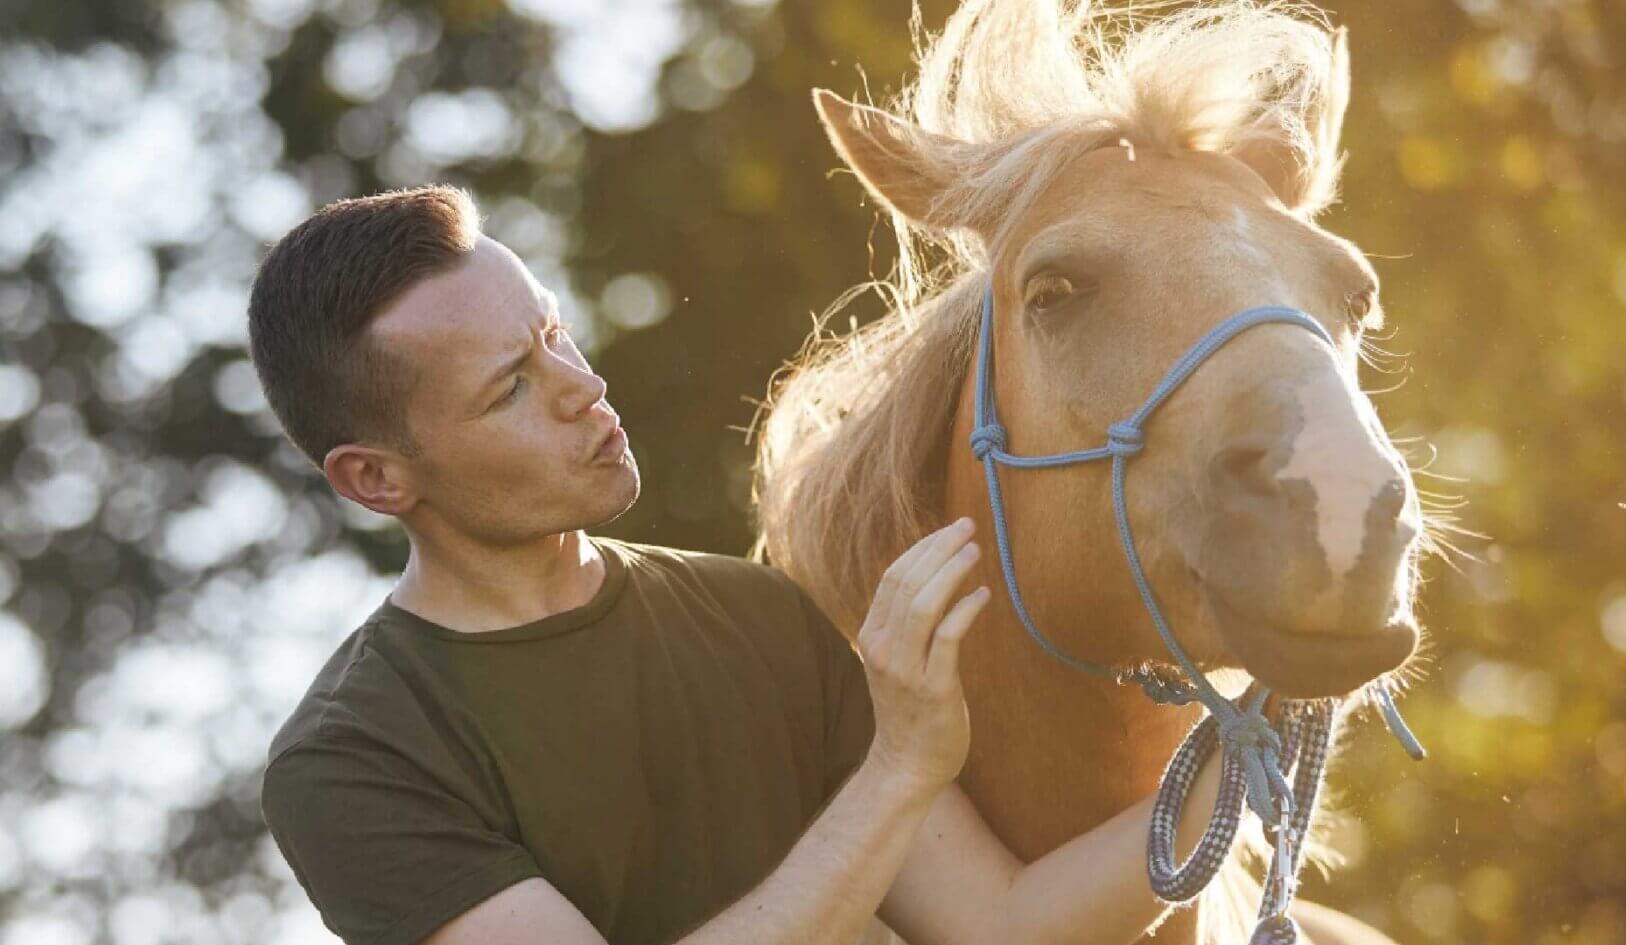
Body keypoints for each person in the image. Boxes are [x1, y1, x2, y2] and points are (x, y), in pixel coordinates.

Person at [249, 184, 1224, 945]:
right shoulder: (354, 758)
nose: (583, 387)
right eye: (512, 386)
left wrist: (1249, 753)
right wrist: (899, 769)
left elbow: (1007, 925)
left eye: (554, 334)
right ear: (375, 477)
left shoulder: (756, 614)